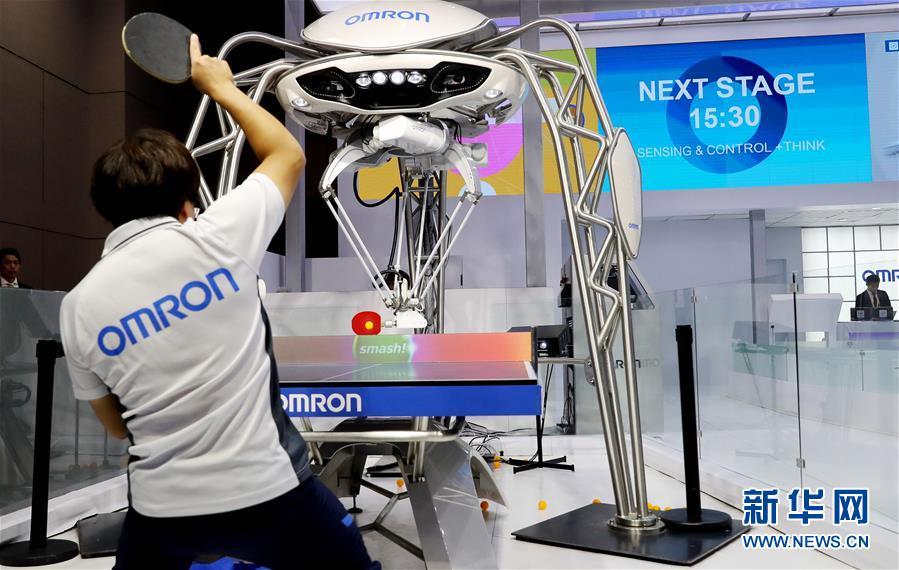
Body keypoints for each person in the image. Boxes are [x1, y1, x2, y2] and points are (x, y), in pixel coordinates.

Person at [59, 35, 379, 570]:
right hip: (273, 491)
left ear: (106, 207)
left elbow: (116, 424)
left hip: (162, 513)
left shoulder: (77, 305)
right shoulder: (218, 236)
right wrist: (221, 87)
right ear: (187, 204)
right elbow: (288, 154)